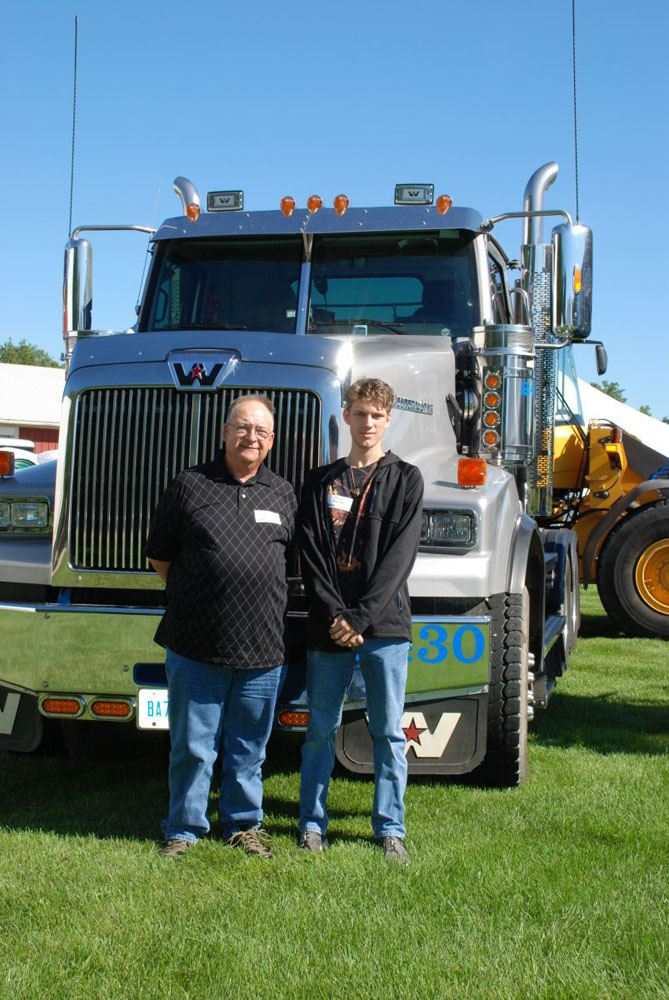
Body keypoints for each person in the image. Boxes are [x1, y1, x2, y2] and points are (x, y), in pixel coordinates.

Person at [145, 394, 296, 859]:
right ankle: (184, 828)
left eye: (261, 431)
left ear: (271, 441)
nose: (252, 436)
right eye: (243, 427)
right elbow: (160, 556)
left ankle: (243, 824)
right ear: (225, 432)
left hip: (263, 647)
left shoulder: (283, 493)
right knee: (193, 746)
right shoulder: (190, 485)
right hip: (196, 643)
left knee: (249, 748)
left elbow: (289, 563)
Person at [297, 378, 424, 864]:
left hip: (384, 628)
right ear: (345, 416)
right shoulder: (319, 481)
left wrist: (360, 617)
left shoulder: (405, 479)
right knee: (319, 730)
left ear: (388, 419)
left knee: (388, 732)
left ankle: (390, 828)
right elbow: (312, 556)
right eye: (359, 413)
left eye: (376, 415)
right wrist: (337, 615)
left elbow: (399, 559)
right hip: (328, 627)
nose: (367, 423)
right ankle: (312, 824)